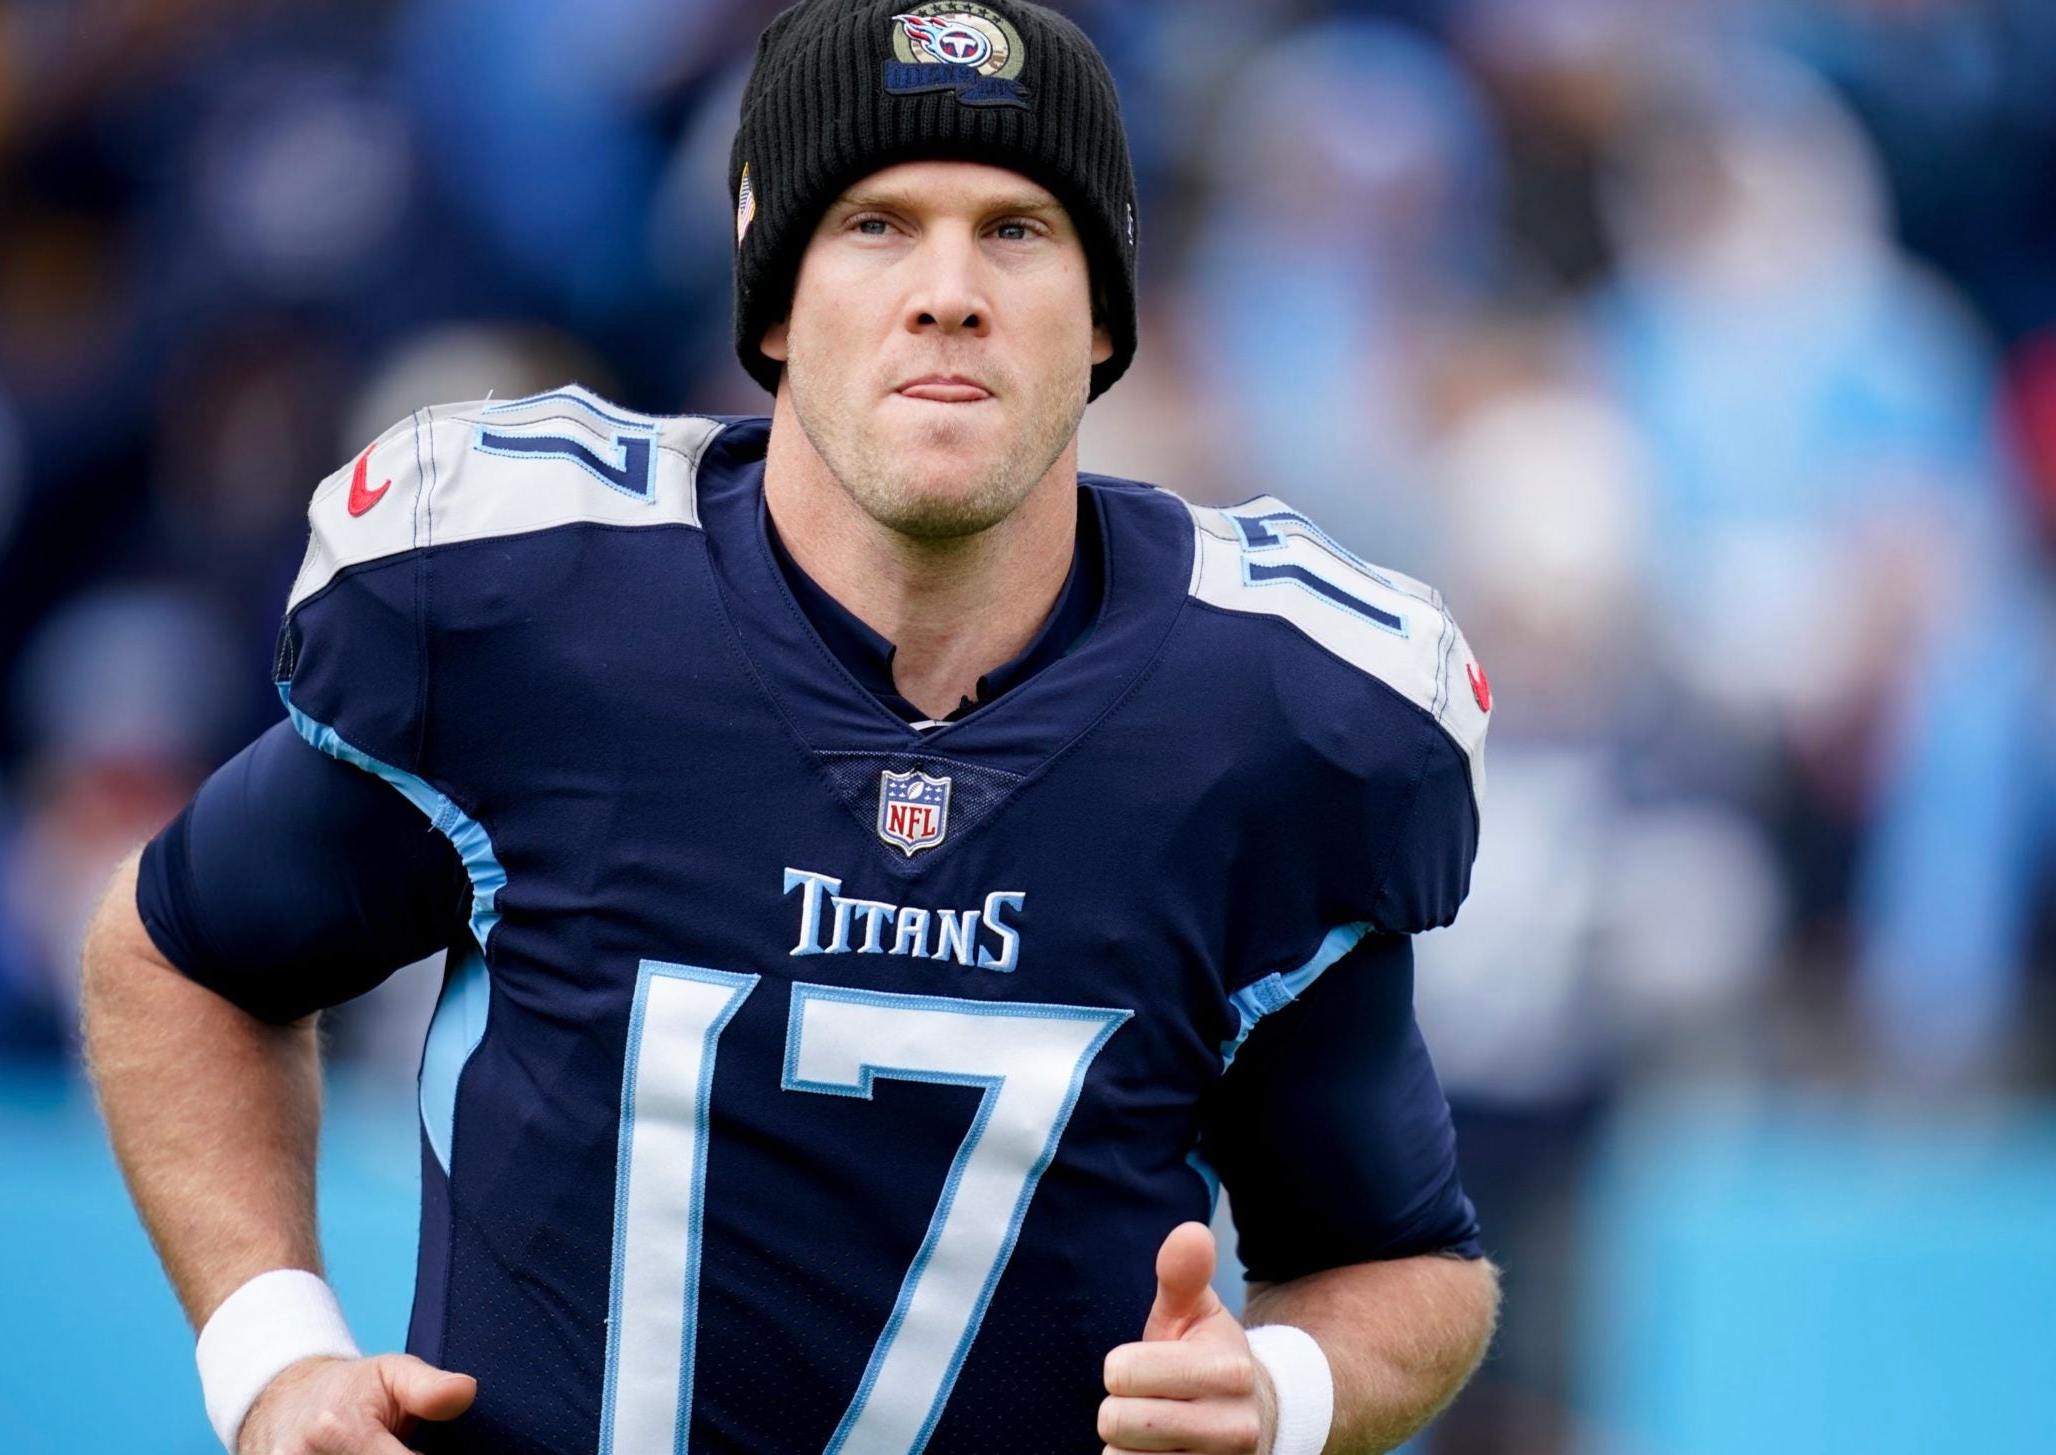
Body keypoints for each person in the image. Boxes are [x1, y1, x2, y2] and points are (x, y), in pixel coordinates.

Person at [81, 3, 1498, 1452]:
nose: (950, 291)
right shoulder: (540, 615)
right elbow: (177, 957)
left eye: (1018, 229)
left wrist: (1282, 1392)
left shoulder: (1261, 717)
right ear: (772, 299)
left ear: (1107, 317)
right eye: (877, 224)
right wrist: (271, 1358)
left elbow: (1403, 1266)